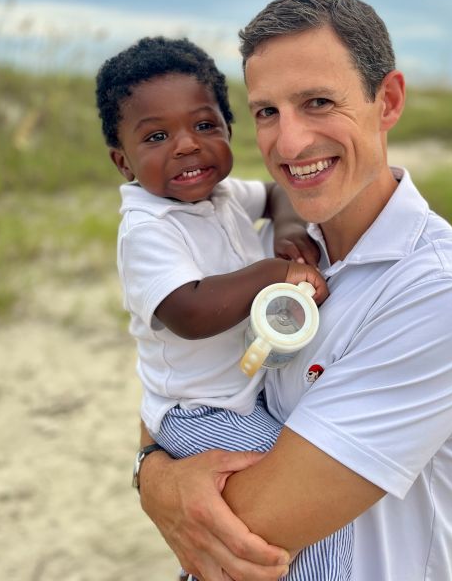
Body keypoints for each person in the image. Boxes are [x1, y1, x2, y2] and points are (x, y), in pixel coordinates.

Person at [137, 0, 452, 581]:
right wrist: (154, 473)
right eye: (267, 111)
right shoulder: (265, 250)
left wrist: (155, 481)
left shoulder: (446, 295)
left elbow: (253, 524)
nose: (288, 143)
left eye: (317, 102)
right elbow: (176, 378)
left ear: (387, 101)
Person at [95, 36, 354, 581]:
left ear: (229, 129)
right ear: (123, 162)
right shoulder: (148, 230)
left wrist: (285, 229)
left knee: (246, 518)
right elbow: (187, 312)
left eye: (205, 125)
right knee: (302, 503)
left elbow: (278, 196)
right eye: (158, 136)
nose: (188, 146)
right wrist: (270, 273)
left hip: (244, 396)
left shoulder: (223, 194)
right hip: (200, 412)